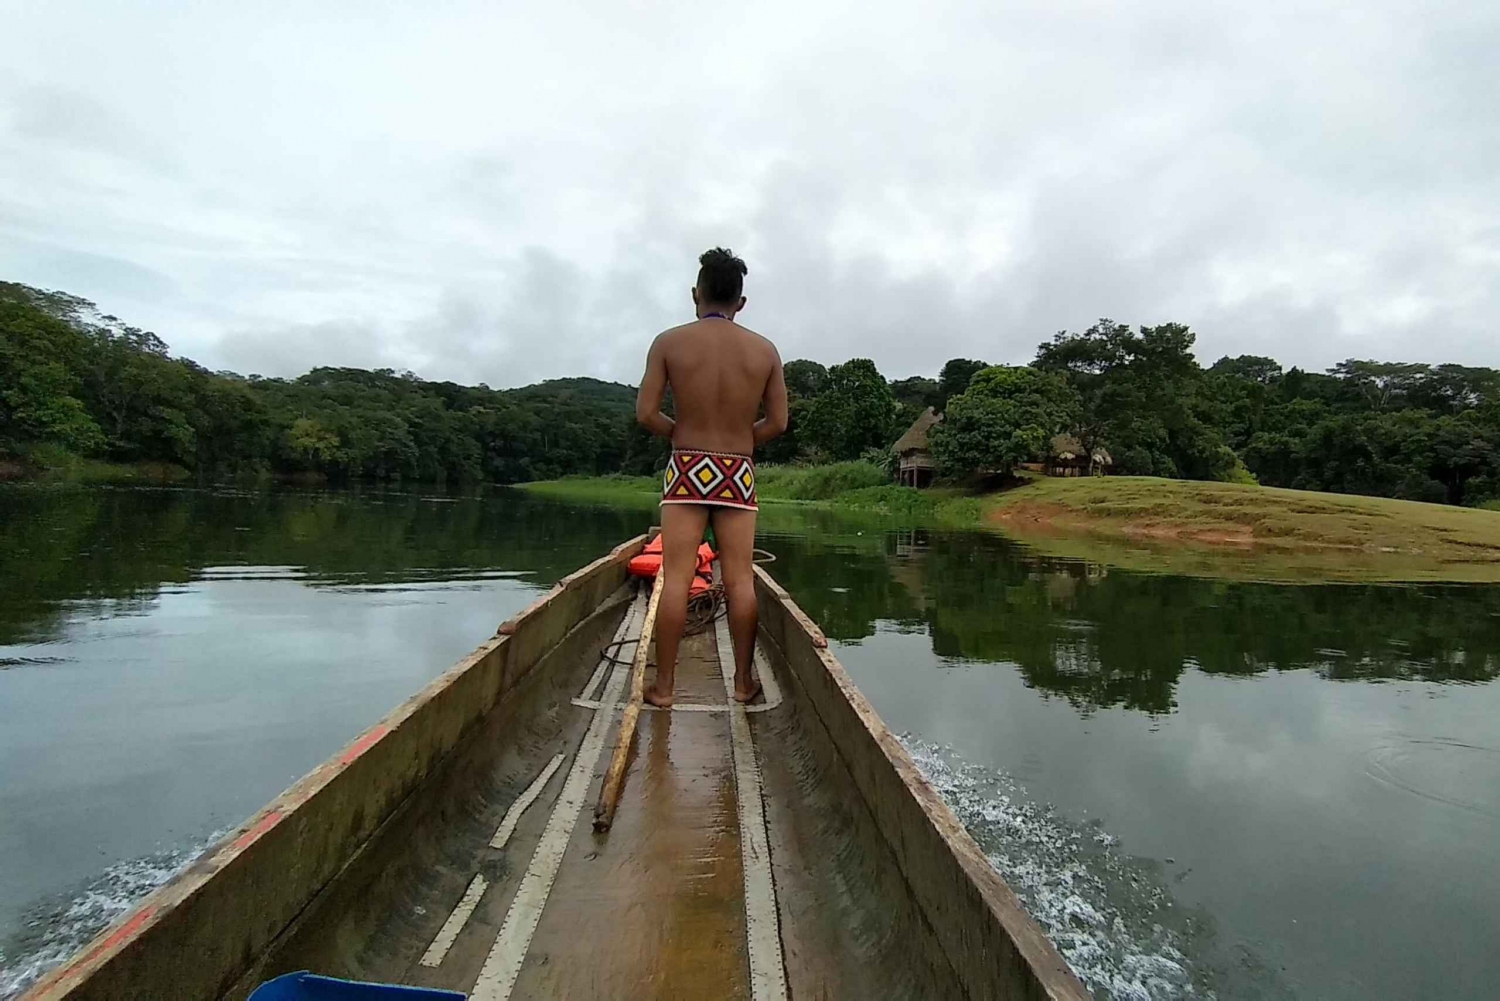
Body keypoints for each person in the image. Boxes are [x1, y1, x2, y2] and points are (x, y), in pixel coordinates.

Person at [635, 248, 788, 707]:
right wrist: (742, 441)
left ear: (695, 294)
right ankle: (743, 683)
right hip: (736, 470)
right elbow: (778, 422)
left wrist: (678, 432)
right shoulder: (764, 351)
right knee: (740, 578)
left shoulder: (669, 341)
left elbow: (646, 413)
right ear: (740, 302)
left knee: (677, 576)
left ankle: (663, 688)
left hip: (686, 466)